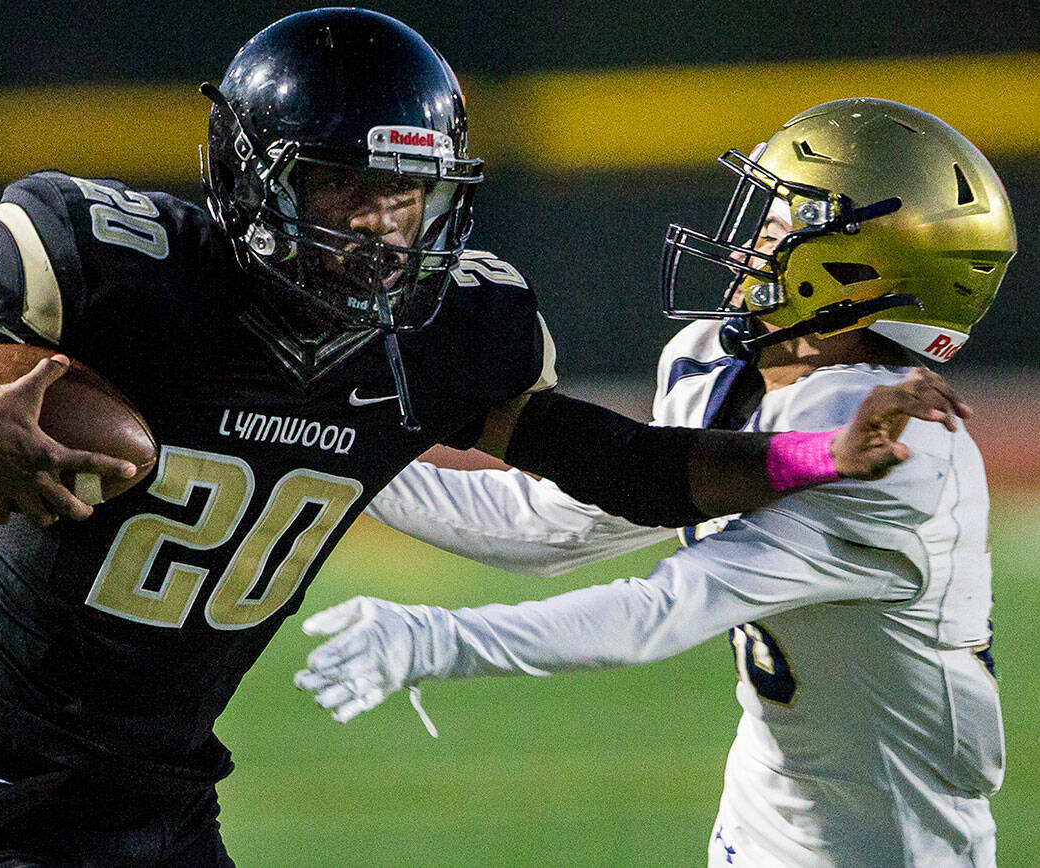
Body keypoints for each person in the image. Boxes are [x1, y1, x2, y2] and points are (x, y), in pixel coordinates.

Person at [0, 9, 959, 862]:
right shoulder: (124, 266)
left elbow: (635, 472)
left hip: (166, 793)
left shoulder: (450, 330)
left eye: (408, 194)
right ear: (254, 175)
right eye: (344, 189)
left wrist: (817, 455)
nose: (381, 228)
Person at [297, 99, 1014, 866]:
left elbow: (662, 611)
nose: (747, 245)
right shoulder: (718, 361)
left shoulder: (906, 455)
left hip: (893, 848)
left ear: (860, 272)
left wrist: (443, 639)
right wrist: (326, 443)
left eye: (779, 229)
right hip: (760, 819)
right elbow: (546, 526)